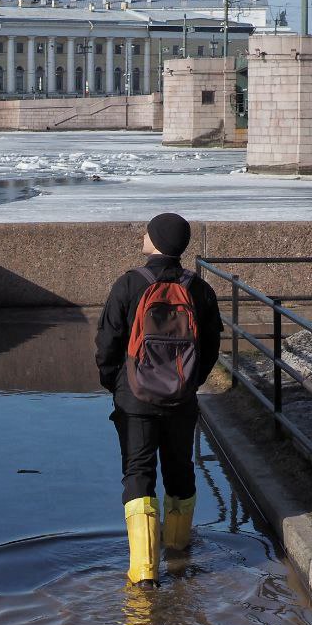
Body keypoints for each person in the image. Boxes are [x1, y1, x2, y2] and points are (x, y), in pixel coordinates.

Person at [94, 213, 223, 587]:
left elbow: (107, 344)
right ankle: (178, 551)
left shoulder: (129, 284)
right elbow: (210, 347)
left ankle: (144, 573)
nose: (143, 235)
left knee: (139, 472)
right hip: (182, 396)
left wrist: (117, 384)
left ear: (157, 240)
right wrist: (189, 382)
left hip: (135, 397)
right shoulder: (200, 289)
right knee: (180, 469)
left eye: (148, 232)